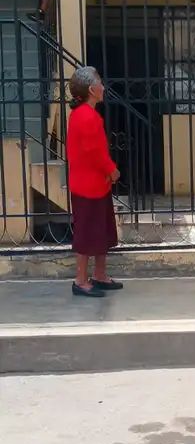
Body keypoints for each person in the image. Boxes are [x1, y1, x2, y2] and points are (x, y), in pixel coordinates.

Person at [65, 67, 124, 298]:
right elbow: (94, 152)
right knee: (88, 235)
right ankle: (80, 280)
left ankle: (99, 275)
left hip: (96, 185)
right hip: (88, 187)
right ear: (91, 90)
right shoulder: (86, 116)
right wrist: (112, 170)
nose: (103, 87)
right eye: (100, 83)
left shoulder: (84, 115)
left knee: (100, 233)